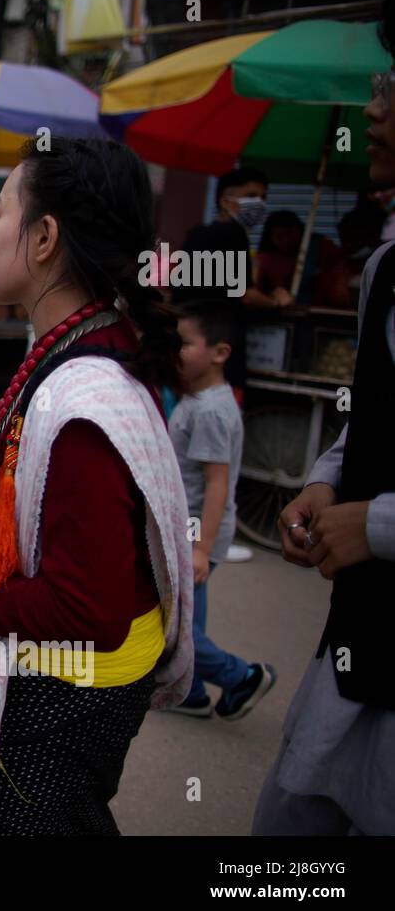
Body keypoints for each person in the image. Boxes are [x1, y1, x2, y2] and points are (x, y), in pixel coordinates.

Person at [0, 137, 194, 836]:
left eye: (0, 212)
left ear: (43, 238)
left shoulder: (83, 400)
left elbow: (86, 607)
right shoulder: (79, 345)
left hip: (69, 695)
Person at [254, 0, 395, 837]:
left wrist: (374, 525)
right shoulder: (385, 261)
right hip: (363, 635)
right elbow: (374, 414)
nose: (372, 110)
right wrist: (325, 478)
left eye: (387, 89)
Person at [167, 300, 275, 718]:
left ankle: (242, 676)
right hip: (192, 529)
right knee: (190, 620)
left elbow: (217, 484)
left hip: (196, 531)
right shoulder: (198, 399)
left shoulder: (210, 410)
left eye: (186, 344)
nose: (177, 352)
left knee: (175, 632)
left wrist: (200, 547)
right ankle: (190, 693)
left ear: (220, 352)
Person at [248, 210, 303, 309]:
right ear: (270, 237)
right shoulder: (262, 261)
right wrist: (273, 299)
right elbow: (252, 293)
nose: (286, 240)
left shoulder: (317, 251)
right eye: (279, 236)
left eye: (290, 234)